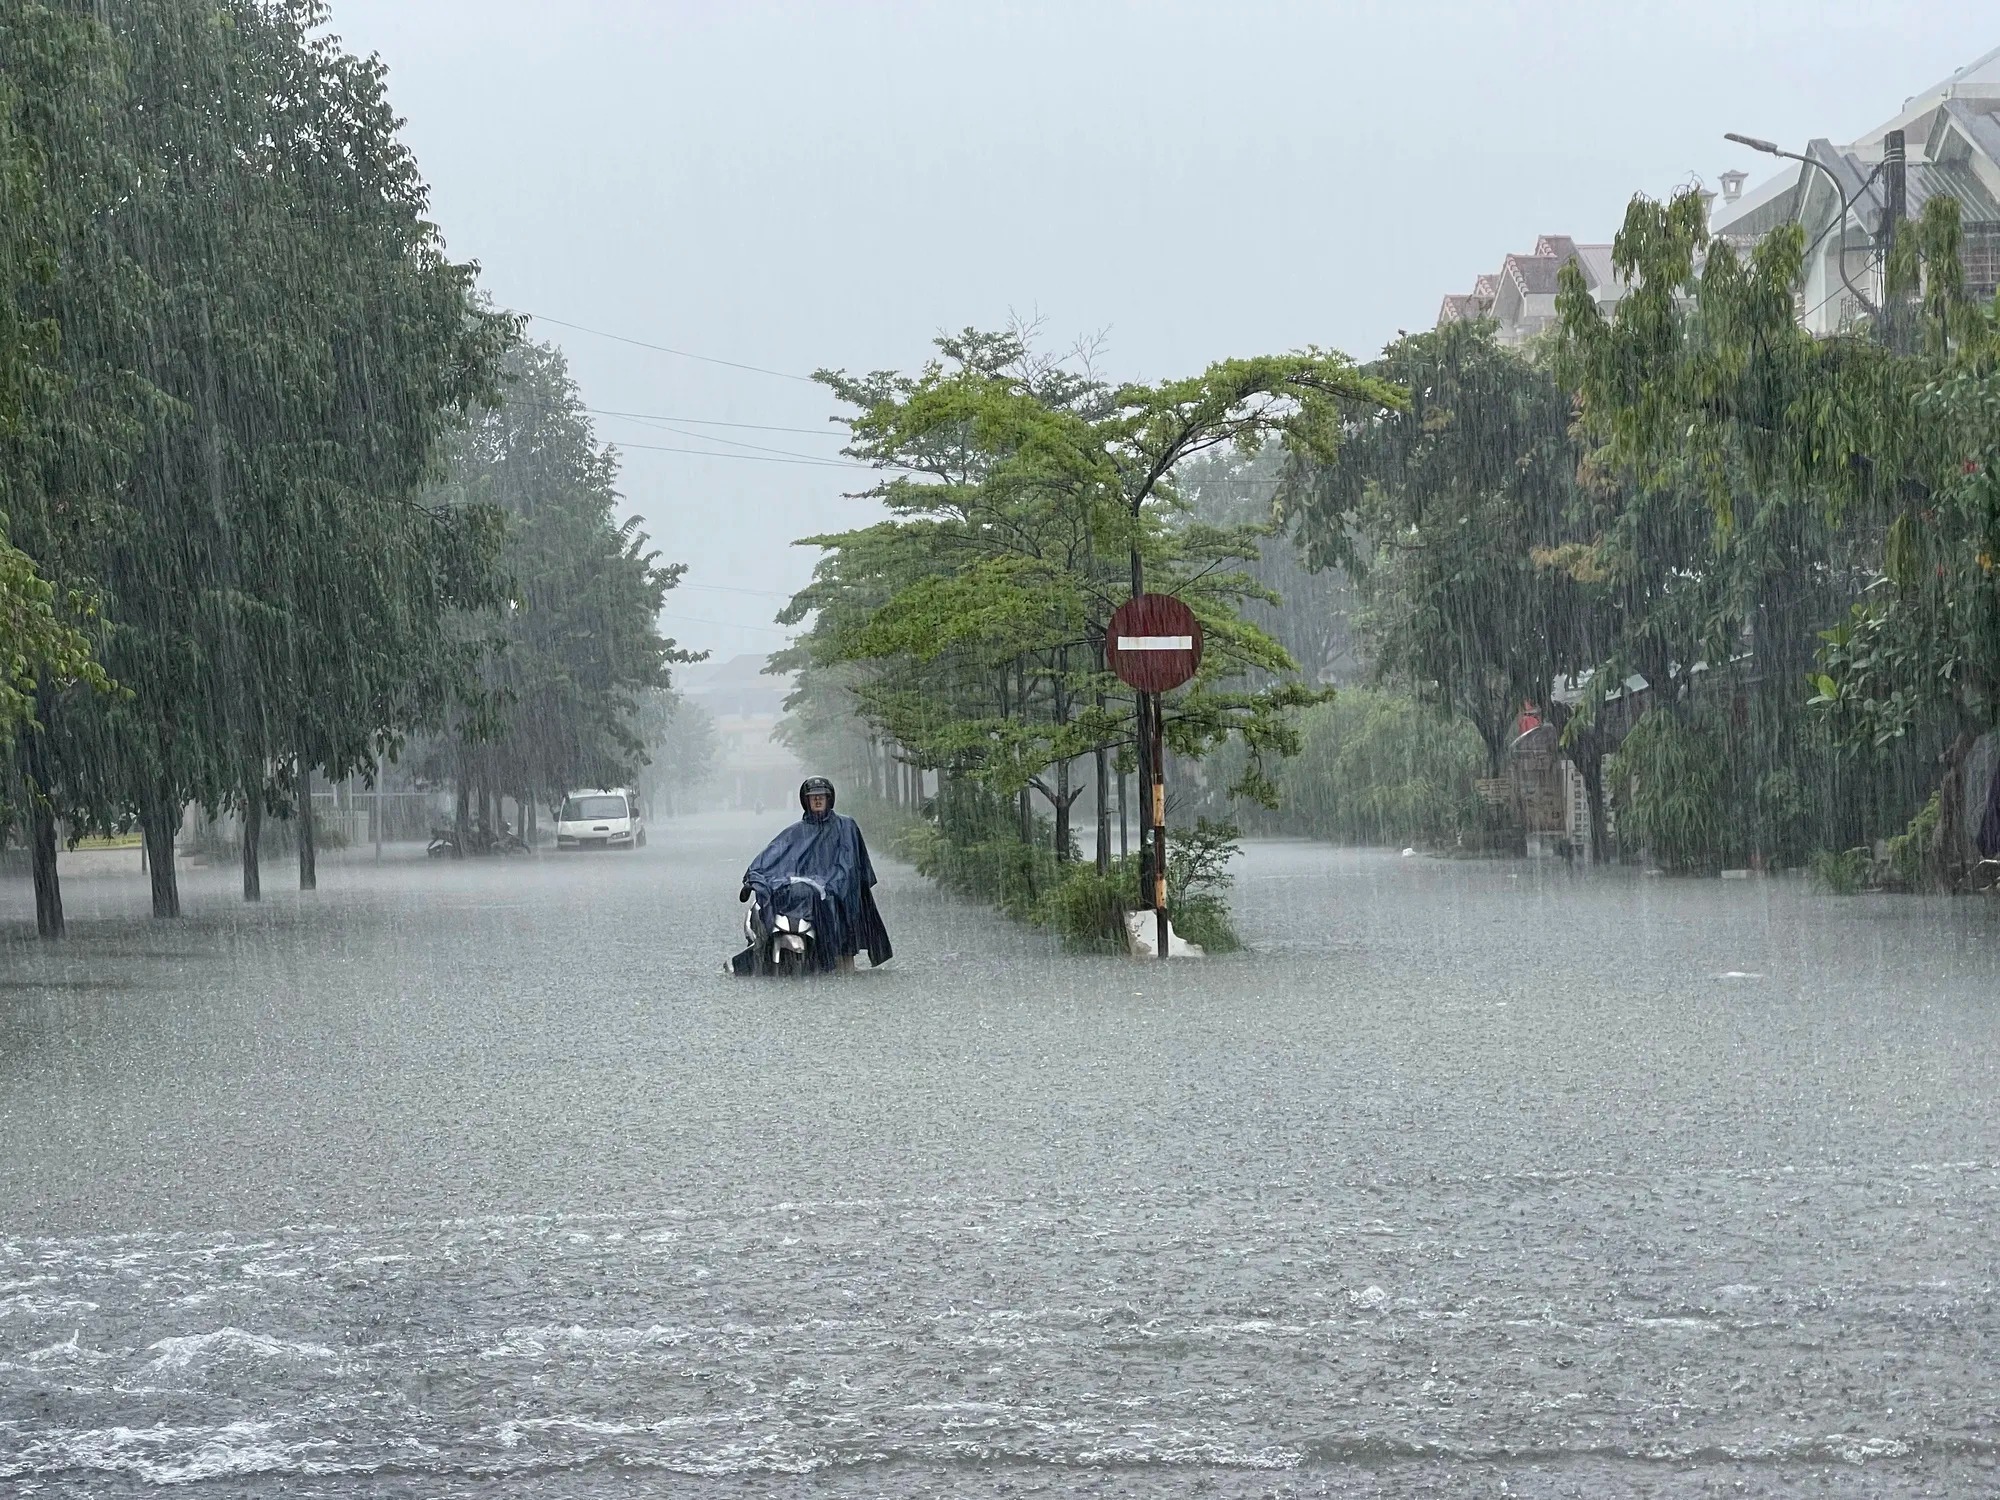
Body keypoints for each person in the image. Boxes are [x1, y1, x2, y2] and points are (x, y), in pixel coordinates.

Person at [732, 777, 892, 972]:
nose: (817, 800)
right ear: (806, 801)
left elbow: (848, 866)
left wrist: (829, 885)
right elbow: (774, 854)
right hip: (806, 893)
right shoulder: (797, 832)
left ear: (829, 799)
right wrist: (754, 877)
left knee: (838, 909)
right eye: (813, 797)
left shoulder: (845, 827)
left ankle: (838, 958)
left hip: (835, 893)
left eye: (821, 797)